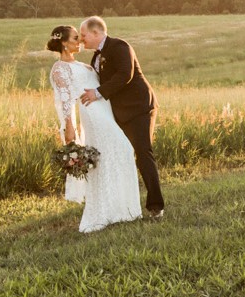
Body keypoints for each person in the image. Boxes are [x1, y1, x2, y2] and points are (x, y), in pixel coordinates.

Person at [47, 25, 141, 232]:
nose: (79, 41)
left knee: (116, 153)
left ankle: (123, 210)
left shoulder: (86, 66)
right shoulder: (60, 69)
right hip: (92, 114)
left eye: (80, 37)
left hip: (106, 111)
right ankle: (103, 211)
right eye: (75, 38)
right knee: (123, 149)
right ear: (64, 43)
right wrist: (68, 127)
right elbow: (65, 101)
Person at [78, 16, 165, 218]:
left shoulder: (119, 46)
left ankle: (156, 207)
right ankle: (121, 203)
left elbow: (125, 74)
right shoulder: (96, 57)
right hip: (119, 112)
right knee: (122, 154)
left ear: (96, 33)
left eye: (84, 35)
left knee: (143, 153)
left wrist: (97, 92)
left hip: (139, 108)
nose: (82, 40)